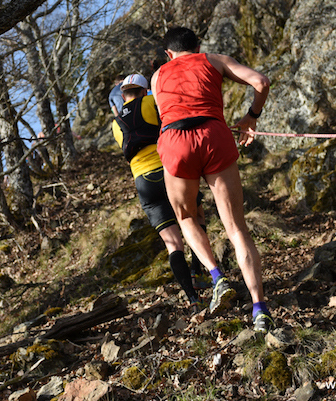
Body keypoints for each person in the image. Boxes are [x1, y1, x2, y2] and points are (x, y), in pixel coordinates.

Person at [150, 27, 274, 333]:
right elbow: (261, 81)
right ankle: (260, 310)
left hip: (176, 140)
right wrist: (251, 116)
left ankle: (217, 278)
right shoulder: (214, 59)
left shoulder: (156, 77)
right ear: (198, 46)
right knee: (235, 227)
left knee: (186, 216)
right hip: (214, 134)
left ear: (168, 54)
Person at [112, 73, 210, 314]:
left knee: (172, 243)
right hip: (169, 169)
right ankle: (199, 272)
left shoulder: (115, 124)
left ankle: (192, 297)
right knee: (196, 217)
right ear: (145, 91)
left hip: (143, 181)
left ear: (123, 95)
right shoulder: (151, 102)